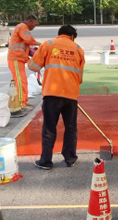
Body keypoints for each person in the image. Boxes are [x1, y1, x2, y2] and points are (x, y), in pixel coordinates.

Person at [27, 24, 85, 169]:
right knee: (71, 128)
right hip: (71, 95)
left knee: (49, 128)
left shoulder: (49, 44)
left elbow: (33, 67)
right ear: (72, 37)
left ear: (59, 34)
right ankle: (70, 158)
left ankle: (46, 161)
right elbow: (79, 77)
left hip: (52, 95)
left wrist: (32, 55)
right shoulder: (78, 49)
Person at [7, 15, 41, 115]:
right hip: (16, 58)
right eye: (34, 24)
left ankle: (24, 101)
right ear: (29, 21)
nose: (34, 27)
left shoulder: (21, 27)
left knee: (23, 82)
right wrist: (41, 45)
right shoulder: (23, 27)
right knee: (20, 82)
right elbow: (29, 40)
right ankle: (21, 104)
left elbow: (26, 45)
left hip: (19, 59)